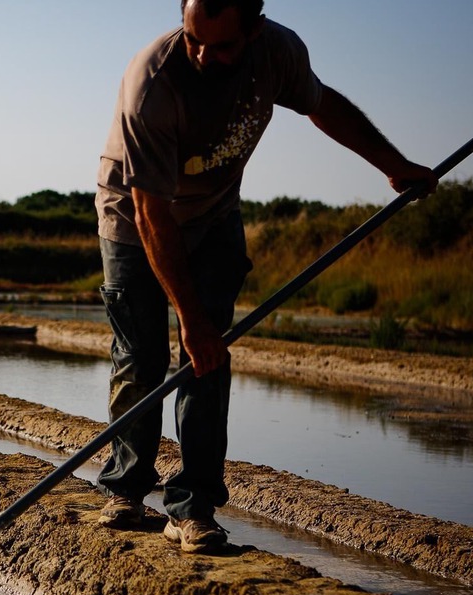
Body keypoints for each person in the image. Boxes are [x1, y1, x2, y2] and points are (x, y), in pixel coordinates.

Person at [94, 0, 436, 552]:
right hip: (134, 220)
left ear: (254, 29)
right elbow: (152, 214)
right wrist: (189, 316)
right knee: (143, 357)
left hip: (215, 215)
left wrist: (393, 164)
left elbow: (324, 106)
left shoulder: (278, 53)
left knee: (207, 360)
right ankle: (127, 489)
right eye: (192, 38)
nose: (203, 54)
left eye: (222, 45)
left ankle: (192, 508)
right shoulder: (153, 82)